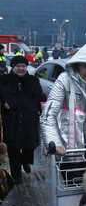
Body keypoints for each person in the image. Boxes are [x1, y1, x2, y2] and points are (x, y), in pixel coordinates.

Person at [0, 55, 46, 183]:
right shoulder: (3, 80)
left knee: (29, 145)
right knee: (13, 148)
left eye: (23, 66)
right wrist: (4, 103)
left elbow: (41, 96)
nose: (21, 69)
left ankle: (25, 161)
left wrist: (41, 108)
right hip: (11, 119)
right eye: (18, 66)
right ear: (13, 67)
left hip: (29, 118)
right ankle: (16, 175)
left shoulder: (33, 80)